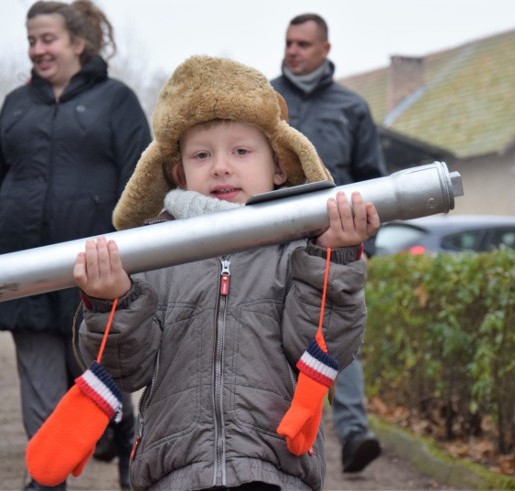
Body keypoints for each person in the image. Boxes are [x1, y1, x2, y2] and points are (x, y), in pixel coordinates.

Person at [74, 55, 380, 491]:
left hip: (275, 471)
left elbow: (323, 349)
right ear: (179, 173)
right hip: (174, 473)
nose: (220, 166)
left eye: (240, 151)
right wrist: (112, 303)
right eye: (202, 155)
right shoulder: (150, 253)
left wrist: (335, 260)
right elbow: (126, 371)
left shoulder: (300, 249)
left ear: (278, 166)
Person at [0, 1, 151, 489]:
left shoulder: (117, 100)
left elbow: (140, 181)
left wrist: (145, 250)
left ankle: (124, 434)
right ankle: (45, 479)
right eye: (32, 41)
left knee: (93, 373)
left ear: (77, 43)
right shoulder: (15, 105)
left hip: (93, 265)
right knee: (39, 383)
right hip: (23, 264)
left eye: (48, 39)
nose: (38, 50)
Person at [271, 13, 388, 474]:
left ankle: (354, 432)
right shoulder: (266, 102)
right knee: (275, 340)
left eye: (303, 43)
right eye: (288, 42)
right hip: (270, 244)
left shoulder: (351, 107)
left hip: (332, 243)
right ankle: (284, 434)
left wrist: (361, 245)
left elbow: (372, 179)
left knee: (332, 338)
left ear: (325, 49)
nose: (293, 50)